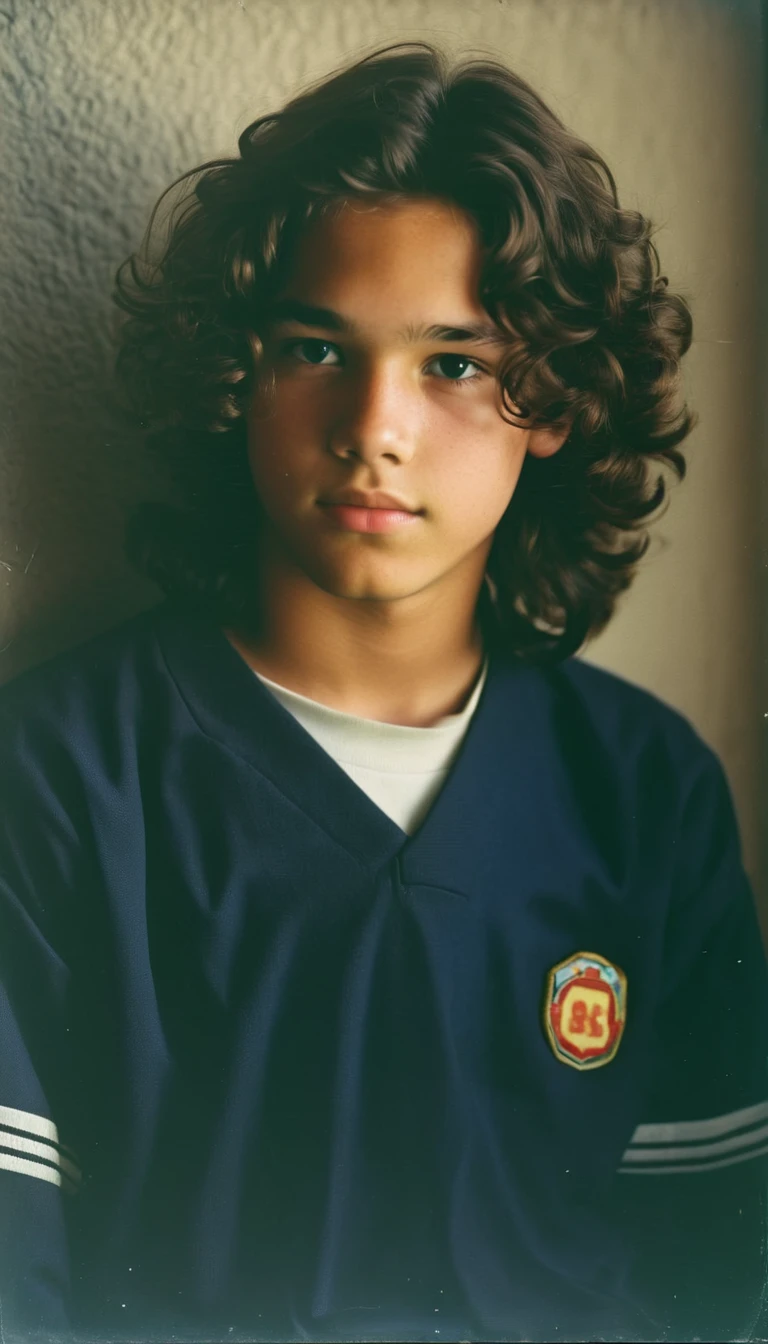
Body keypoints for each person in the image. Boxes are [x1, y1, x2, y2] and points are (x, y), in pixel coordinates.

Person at [0, 40, 765, 1344]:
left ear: (557, 401)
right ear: (236, 376)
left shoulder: (646, 792)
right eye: (315, 348)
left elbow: (712, 1269)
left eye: (453, 364)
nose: (375, 426)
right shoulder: (66, 773)